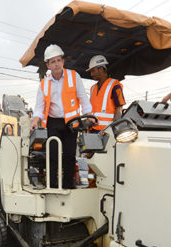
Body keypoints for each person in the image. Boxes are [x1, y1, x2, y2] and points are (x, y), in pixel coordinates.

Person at [31, 44, 93, 189]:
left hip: (71, 122)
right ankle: (52, 185)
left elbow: (83, 98)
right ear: (48, 65)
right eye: (53, 61)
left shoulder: (73, 76)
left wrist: (88, 114)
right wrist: (35, 120)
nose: (57, 64)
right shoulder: (44, 83)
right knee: (52, 155)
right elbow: (39, 108)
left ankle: (67, 185)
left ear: (63, 61)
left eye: (58, 60)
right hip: (53, 123)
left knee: (70, 155)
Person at [87, 55, 126, 131]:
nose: (91, 74)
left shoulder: (115, 85)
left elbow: (119, 108)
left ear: (101, 69)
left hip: (107, 131)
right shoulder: (92, 88)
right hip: (92, 130)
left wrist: (114, 129)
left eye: (93, 70)